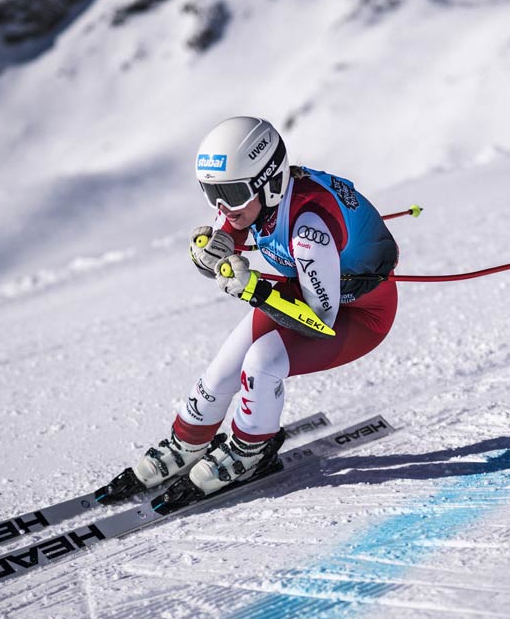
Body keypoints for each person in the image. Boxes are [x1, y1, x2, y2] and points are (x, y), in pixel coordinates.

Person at [96, 116, 399, 505]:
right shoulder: (252, 201)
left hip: (358, 314)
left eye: (233, 193)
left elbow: (320, 322)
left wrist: (253, 289)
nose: (224, 207)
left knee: (261, 362)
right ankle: (188, 441)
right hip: (303, 287)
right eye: (212, 193)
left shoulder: (309, 231)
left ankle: (250, 451)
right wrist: (208, 254)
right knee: (223, 367)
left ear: (270, 182)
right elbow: (226, 240)